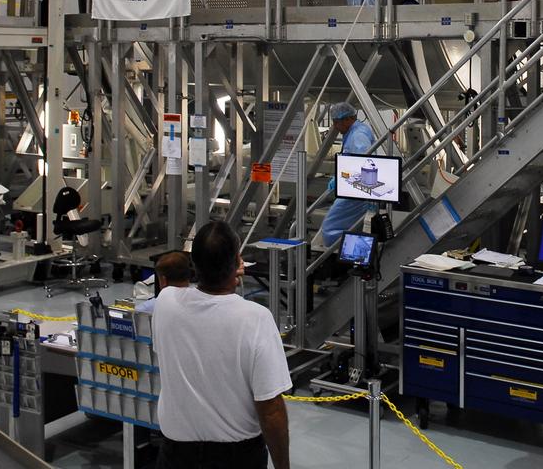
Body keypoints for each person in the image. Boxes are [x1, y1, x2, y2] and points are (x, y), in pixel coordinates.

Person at [153, 222, 291, 469]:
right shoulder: (255, 318)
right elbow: (271, 411)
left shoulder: (165, 303)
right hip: (236, 457)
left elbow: (173, 284)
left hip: (176, 454)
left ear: (194, 264)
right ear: (239, 262)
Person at [319, 101, 376, 248]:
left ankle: (343, 256)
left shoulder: (358, 135)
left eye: (337, 122)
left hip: (356, 192)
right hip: (355, 190)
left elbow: (362, 163)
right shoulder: (354, 132)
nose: (335, 127)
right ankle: (354, 256)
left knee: (330, 228)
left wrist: (342, 179)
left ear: (348, 119)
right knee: (353, 228)